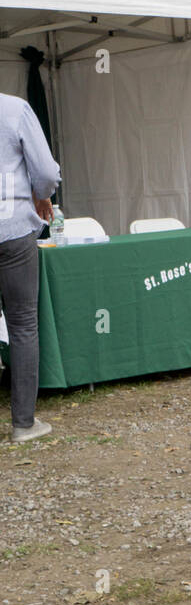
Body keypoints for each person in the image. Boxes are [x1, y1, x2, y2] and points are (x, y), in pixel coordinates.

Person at [0, 93, 61, 443]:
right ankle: (23, 424)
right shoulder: (14, 108)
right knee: (22, 324)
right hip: (13, 229)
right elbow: (46, 172)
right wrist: (42, 194)